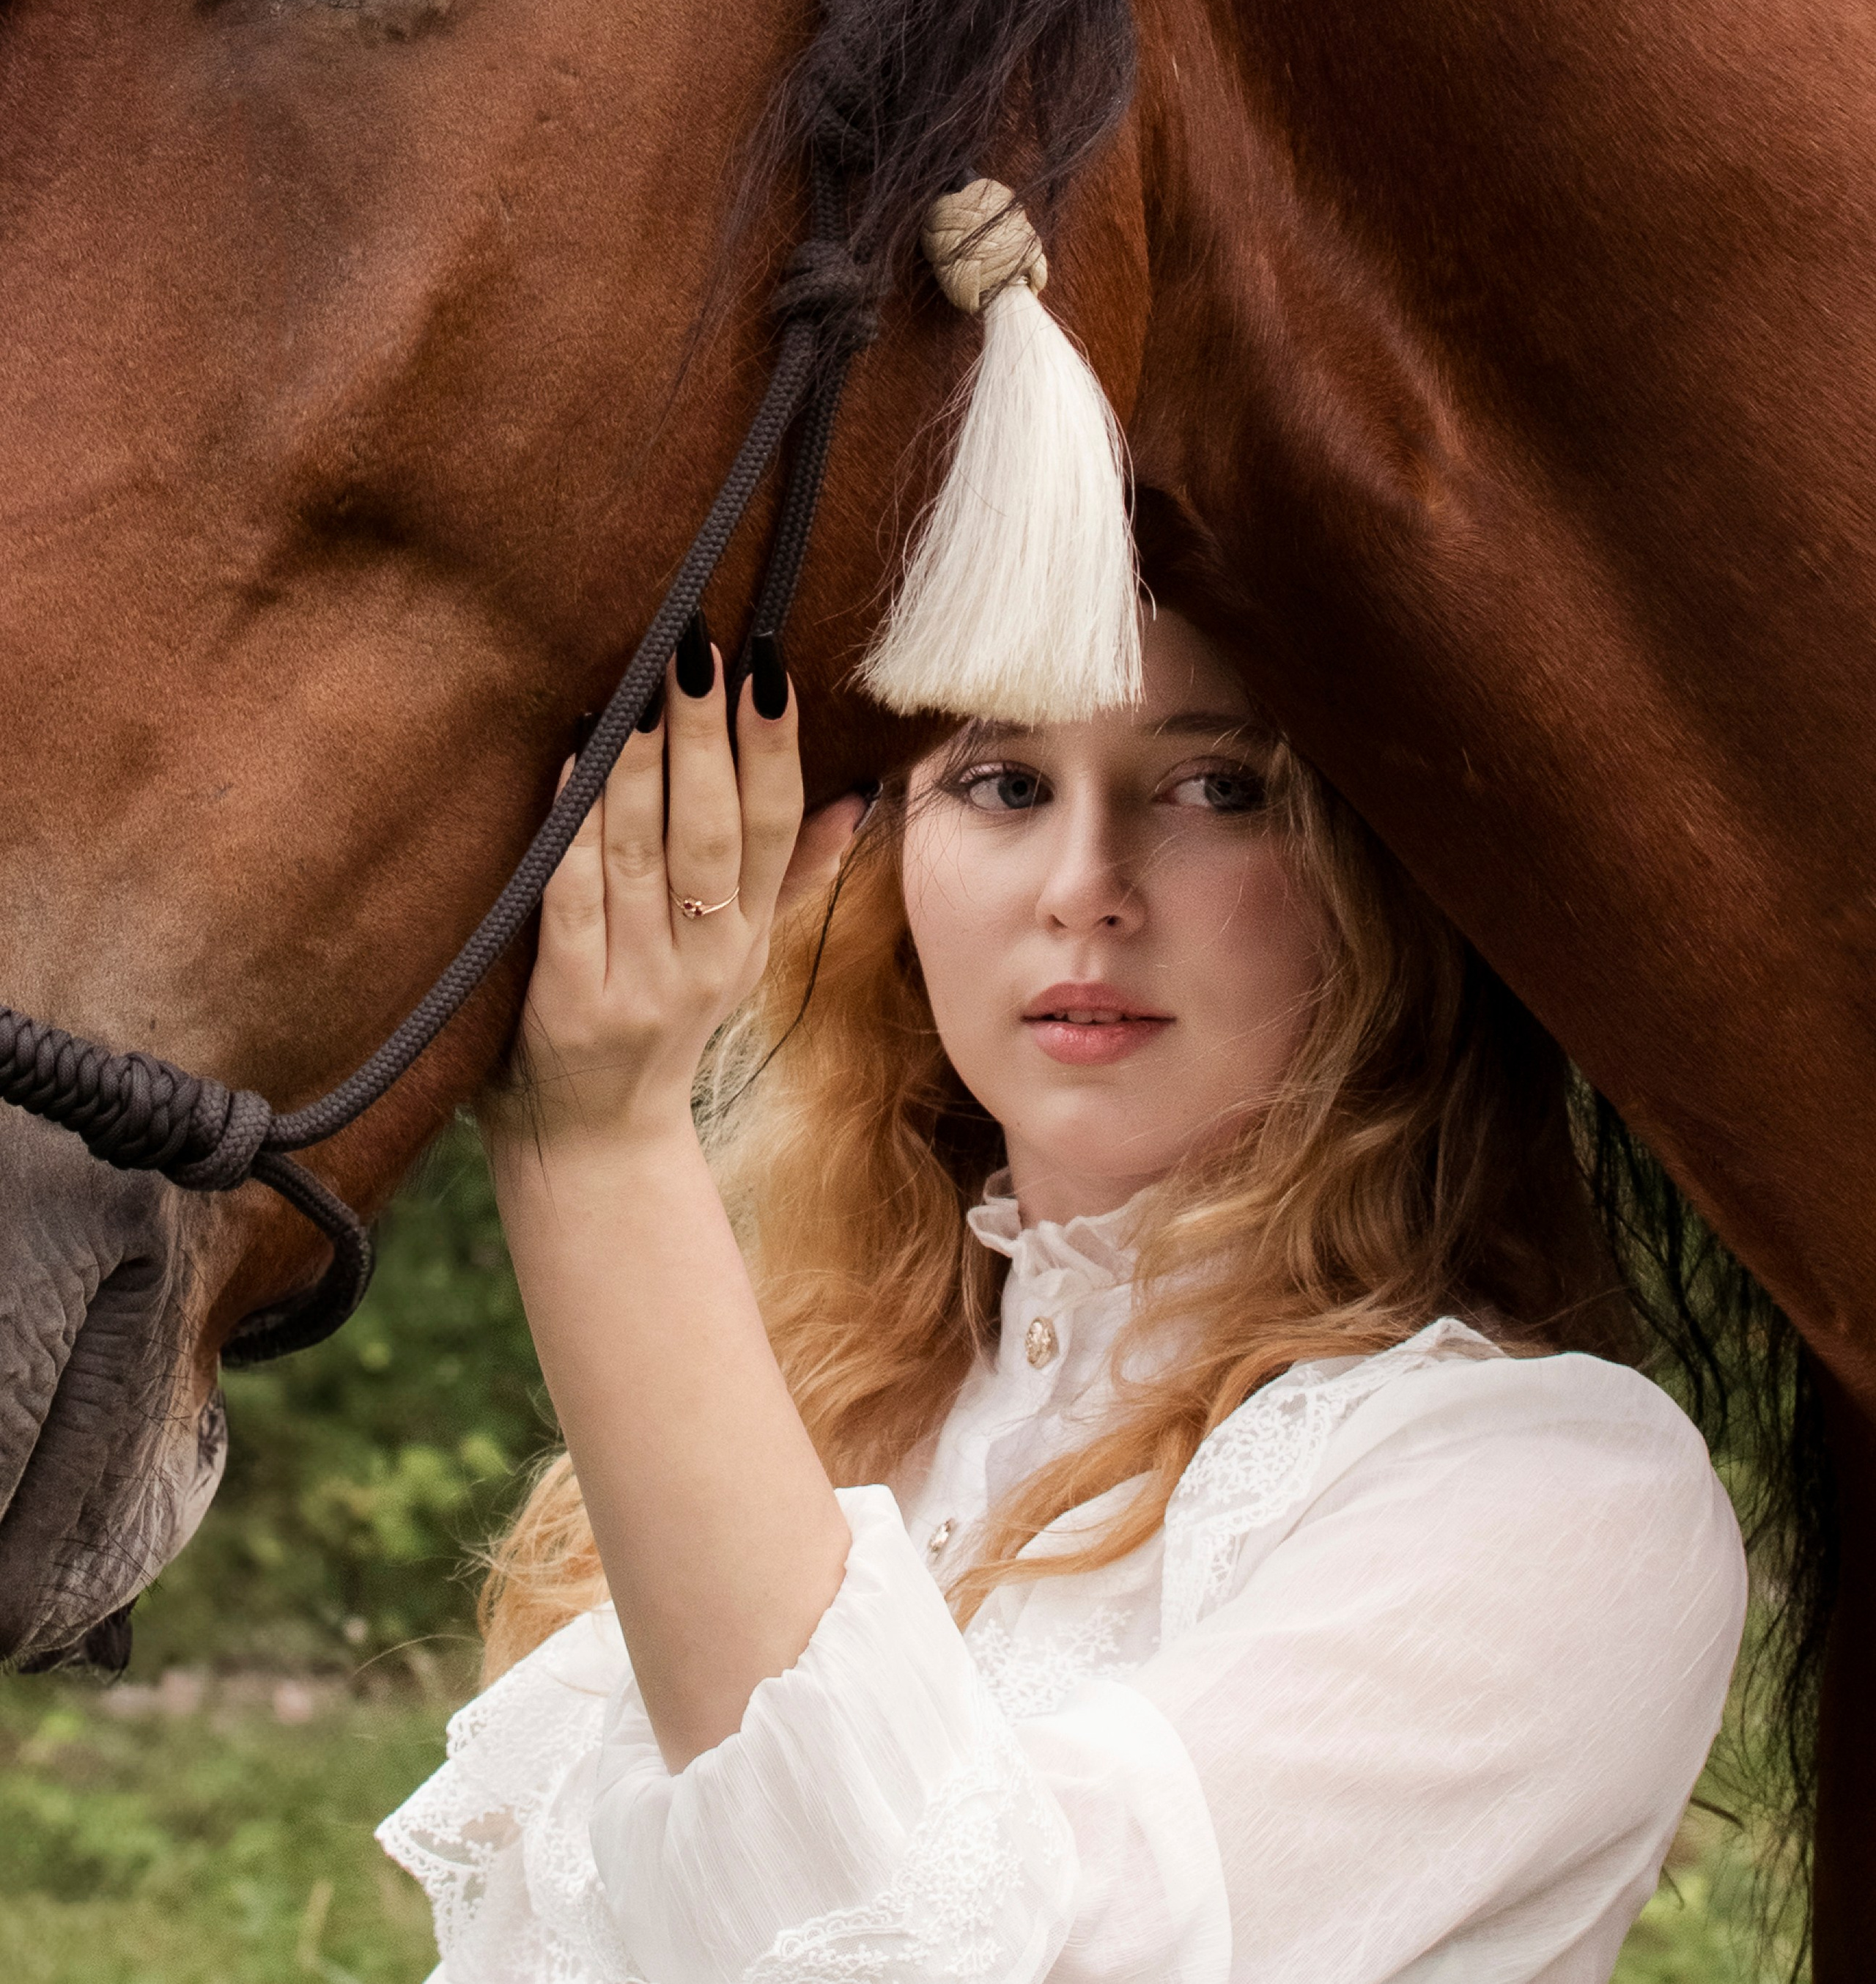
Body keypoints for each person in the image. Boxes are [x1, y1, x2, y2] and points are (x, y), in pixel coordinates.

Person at [380, 576, 1746, 1984]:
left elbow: (913, 1953)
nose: (1083, 887)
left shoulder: (1557, 1495)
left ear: (1389, 870)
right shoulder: (826, 1407)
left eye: (1220, 787)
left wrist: (599, 1149)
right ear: (888, 851)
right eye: (1005, 780)